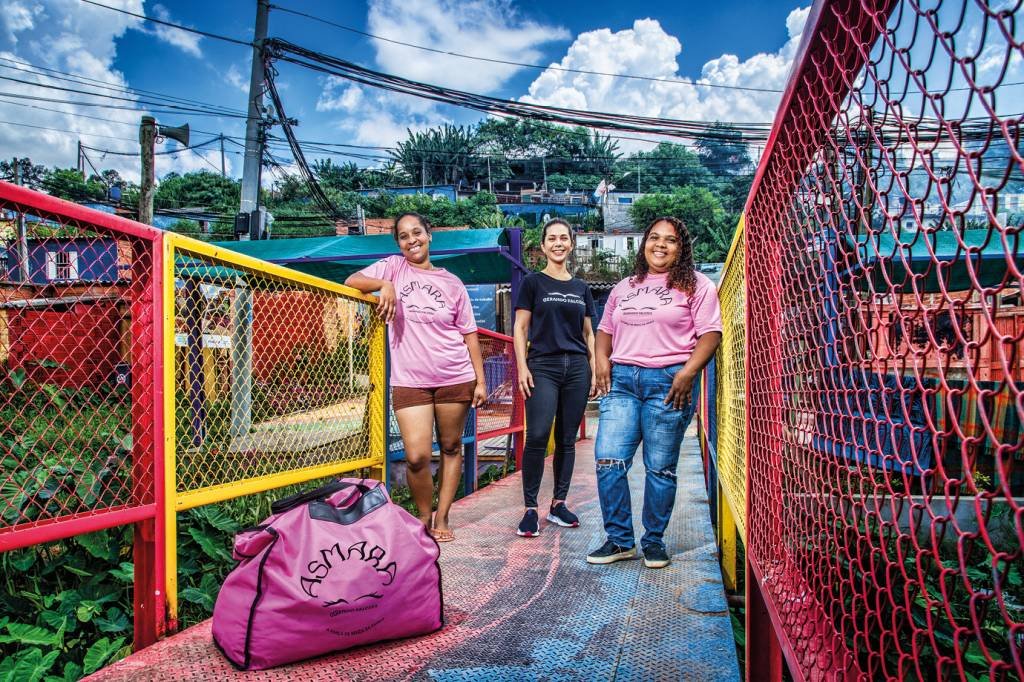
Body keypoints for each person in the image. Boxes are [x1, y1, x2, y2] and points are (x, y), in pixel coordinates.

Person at [587, 216, 722, 569]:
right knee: (608, 460)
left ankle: (653, 541)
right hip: (622, 383)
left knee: (660, 469)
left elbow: (711, 334)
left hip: (669, 383)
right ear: (644, 243)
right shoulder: (624, 287)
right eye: (654, 238)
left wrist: (689, 373)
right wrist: (601, 361)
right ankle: (619, 540)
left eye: (670, 240)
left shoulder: (697, 285)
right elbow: (604, 329)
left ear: (682, 248)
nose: (660, 245)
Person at [345, 212, 486, 543]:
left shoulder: (452, 282)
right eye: (404, 236)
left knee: (451, 446)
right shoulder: (393, 267)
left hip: (455, 375)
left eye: (417, 233)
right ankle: (423, 513)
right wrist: (384, 285)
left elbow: (469, 334)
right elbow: (352, 281)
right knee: (417, 456)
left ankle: (443, 515)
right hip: (410, 380)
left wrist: (480, 381)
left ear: (429, 235)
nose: (412, 240)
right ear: (399, 243)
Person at [513, 219, 596, 537]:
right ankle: (530, 509)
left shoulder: (581, 288)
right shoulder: (534, 283)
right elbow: (521, 328)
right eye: (552, 238)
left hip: (576, 368)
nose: (558, 243)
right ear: (544, 245)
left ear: (571, 244)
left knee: (566, 439)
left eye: (564, 238)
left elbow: (589, 333)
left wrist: (595, 368)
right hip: (543, 366)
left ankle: (558, 504)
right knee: (537, 435)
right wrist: (522, 366)